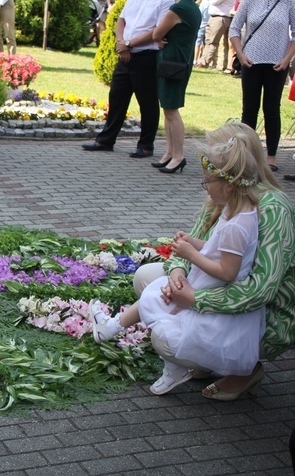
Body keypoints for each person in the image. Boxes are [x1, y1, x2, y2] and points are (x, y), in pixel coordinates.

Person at [133, 122, 295, 401]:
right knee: (146, 276)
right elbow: (189, 245)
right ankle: (208, 359)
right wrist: (178, 274)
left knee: (164, 339)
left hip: (262, 315)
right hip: (214, 284)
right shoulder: (225, 194)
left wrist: (194, 298)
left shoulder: (272, 207)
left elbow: (261, 290)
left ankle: (243, 369)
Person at [91, 135, 264, 395]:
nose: (205, 186)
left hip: (215, 291)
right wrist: (194, 242)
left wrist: (191, 255)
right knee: (161, 300)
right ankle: (114, 329)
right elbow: (220, 250)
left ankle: (134, 342)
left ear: (229, 186)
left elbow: (228, 272)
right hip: (207, 282)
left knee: (163, 307)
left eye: (208, 180)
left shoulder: (239, 224)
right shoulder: (236, 211)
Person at [81, 0, 173, 159]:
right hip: (125, 54)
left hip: (147, 56)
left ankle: (145, 146)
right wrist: (121, 43)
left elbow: (158, 31)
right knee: (116, 97)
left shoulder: (166, 1)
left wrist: (129, 44)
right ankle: (106, 140)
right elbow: (121, 21)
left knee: (147, 101)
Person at [229, 0, 295, 173]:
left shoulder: (289, 3)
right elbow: (234, 28)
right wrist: (241, 55)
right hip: (251, 62)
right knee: (249, 108)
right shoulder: (249, 2)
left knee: (272, 109)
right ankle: (247, 154)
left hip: (277, 64)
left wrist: (287, 59)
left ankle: (271, 156)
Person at [151, 0, 201, 173]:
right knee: (167, 108)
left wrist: (160, 38)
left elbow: (156, 34)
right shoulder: (193, 7)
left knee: (171, 110)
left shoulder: (179, 8)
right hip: (179, 61)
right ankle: (170, 152)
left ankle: (178, 156)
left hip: (172, 63)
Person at [199, 0, 234, 71]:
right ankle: (203, 60)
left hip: (221, 17)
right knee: (208, 40)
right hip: (213, 16)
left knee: (213, 41)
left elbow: (214, 2)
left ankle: (205, 62)